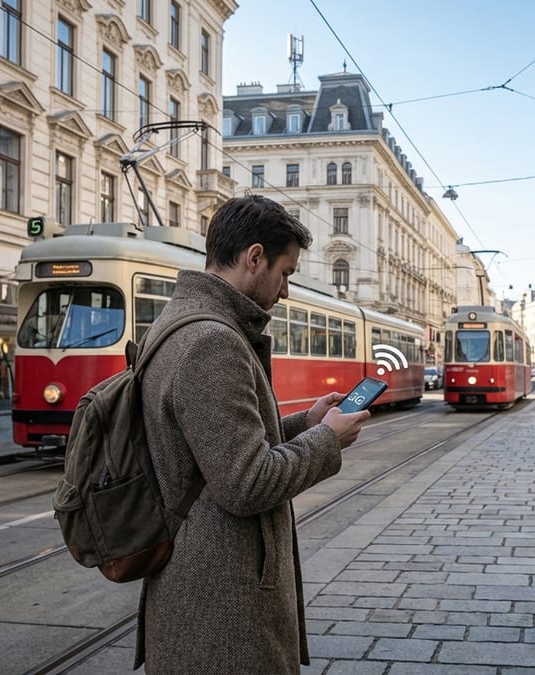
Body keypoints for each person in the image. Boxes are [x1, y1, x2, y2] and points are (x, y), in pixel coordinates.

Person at [137, 195, 370, 673]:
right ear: (254, 257)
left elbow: (212, 446)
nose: (285, 291)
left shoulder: (178, 320)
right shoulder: (212, 343)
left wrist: (303, 424)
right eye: (285, 273)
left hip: (199, 584)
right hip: (222, 603)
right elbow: (245, 482)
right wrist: (326, 440)